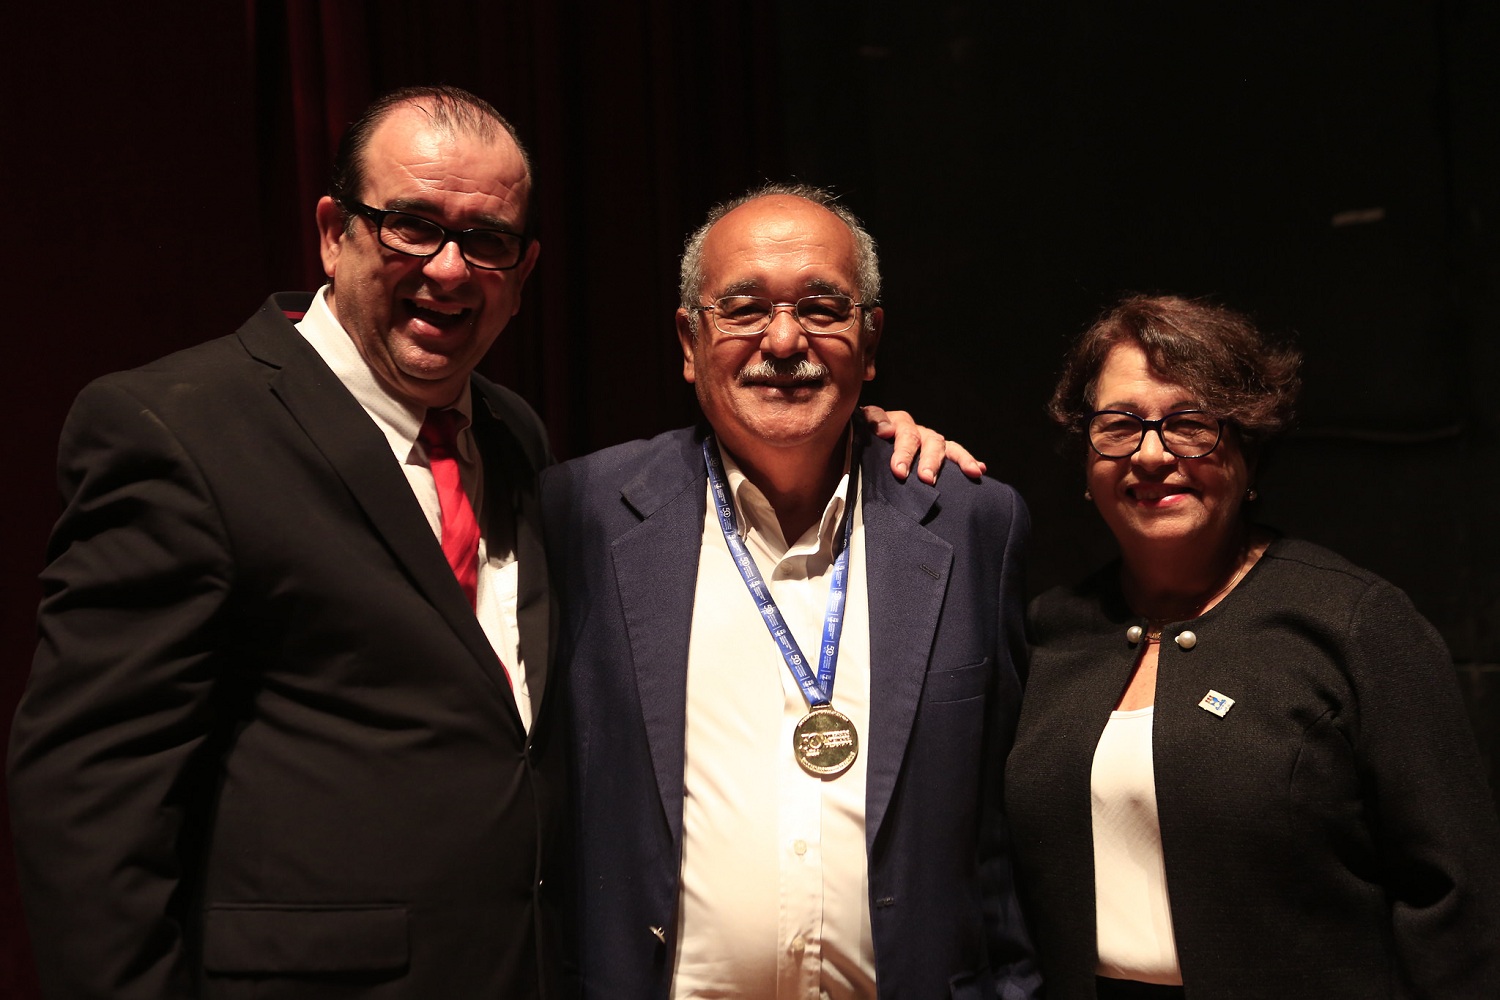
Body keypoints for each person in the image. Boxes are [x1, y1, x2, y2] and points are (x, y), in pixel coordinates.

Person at [8, 86, 964, 1000]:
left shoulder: (512, 439)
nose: (450, 267)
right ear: (335, 231)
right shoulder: (181, 428)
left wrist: (866, 440)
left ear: (523, 273)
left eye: (487, 240)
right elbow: (89, 804)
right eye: (412, 225)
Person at [541, 183, 1041, 999]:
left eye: (822, 307)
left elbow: (1010, 823)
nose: (783, 339)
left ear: (869, 340)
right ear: (689, 340)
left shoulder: (972, 524)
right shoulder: (580, 516)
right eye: (742, 309)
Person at [1004, 294, 1500, 999]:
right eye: (1119, 426)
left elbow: (1459, 905)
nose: (1151, 454)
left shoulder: (1354, 623)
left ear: (1248, 443)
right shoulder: (1047, 631)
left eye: (1189, 424)